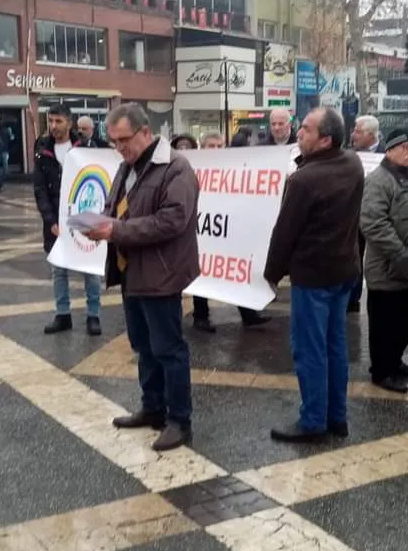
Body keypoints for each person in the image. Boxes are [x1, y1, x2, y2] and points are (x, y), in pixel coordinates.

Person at [86, 102, 200, 451]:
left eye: (124, 139)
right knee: (143, 346)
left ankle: (180, 421)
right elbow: (116, 207)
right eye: (114, 141)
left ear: (146, 132)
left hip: (161, 274)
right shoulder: (127, 167)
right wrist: (97, 223)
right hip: (131, 272)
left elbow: (172, 220)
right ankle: (152, 408)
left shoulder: (175, 168)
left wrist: (116, 230)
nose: (119, 147)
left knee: (169, 349)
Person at [264, 107, 364, 442]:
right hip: (344, 270)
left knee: (310, 350)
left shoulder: (304, 180)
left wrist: (271, 273)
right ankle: (337, 417)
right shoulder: (352, 163)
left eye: (306, 129)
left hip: (314, 276)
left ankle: (312, 421)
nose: (298, 133)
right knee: (335, 346)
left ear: (325, 140)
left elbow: (284, 233)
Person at [361, 128, 408, 393]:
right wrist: (400, 253)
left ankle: (395, 361)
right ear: (390, 151)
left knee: (404, 320)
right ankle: (382, 371)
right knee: (385, 323)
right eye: (404, 147)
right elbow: (372, 223)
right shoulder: (379, 180)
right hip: (388, 269)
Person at [191, 131, 271, 332]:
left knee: (236, 269)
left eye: (219, 146)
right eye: (212, 146)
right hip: (204, 228)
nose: (216, 150)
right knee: (201, 272)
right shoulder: (194, 169)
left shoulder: (233, 168)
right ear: (203, 147)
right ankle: (200, 316)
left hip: (228, 228)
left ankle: (248, 314)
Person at [34, 103, 102, 336]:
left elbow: (97, 178)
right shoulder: (42, 148)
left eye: (58, 121)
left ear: (69, 123)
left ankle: (93, 315)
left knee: (89, 269)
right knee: (58, 270)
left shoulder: (86, 146)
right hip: (54, 221)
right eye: (50, 121)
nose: (53, 126)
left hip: (83, 216)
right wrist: (49, 219)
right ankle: (63, 315)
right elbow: (40, 188)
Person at [347, 114, 381, 314]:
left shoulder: (386, 153)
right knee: (354, 256)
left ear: (371, 134)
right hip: (354, 215)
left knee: (377, 256)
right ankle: (353, 298)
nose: (353, 135)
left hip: (379, 215)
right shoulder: (351, 154)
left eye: (358, 131)